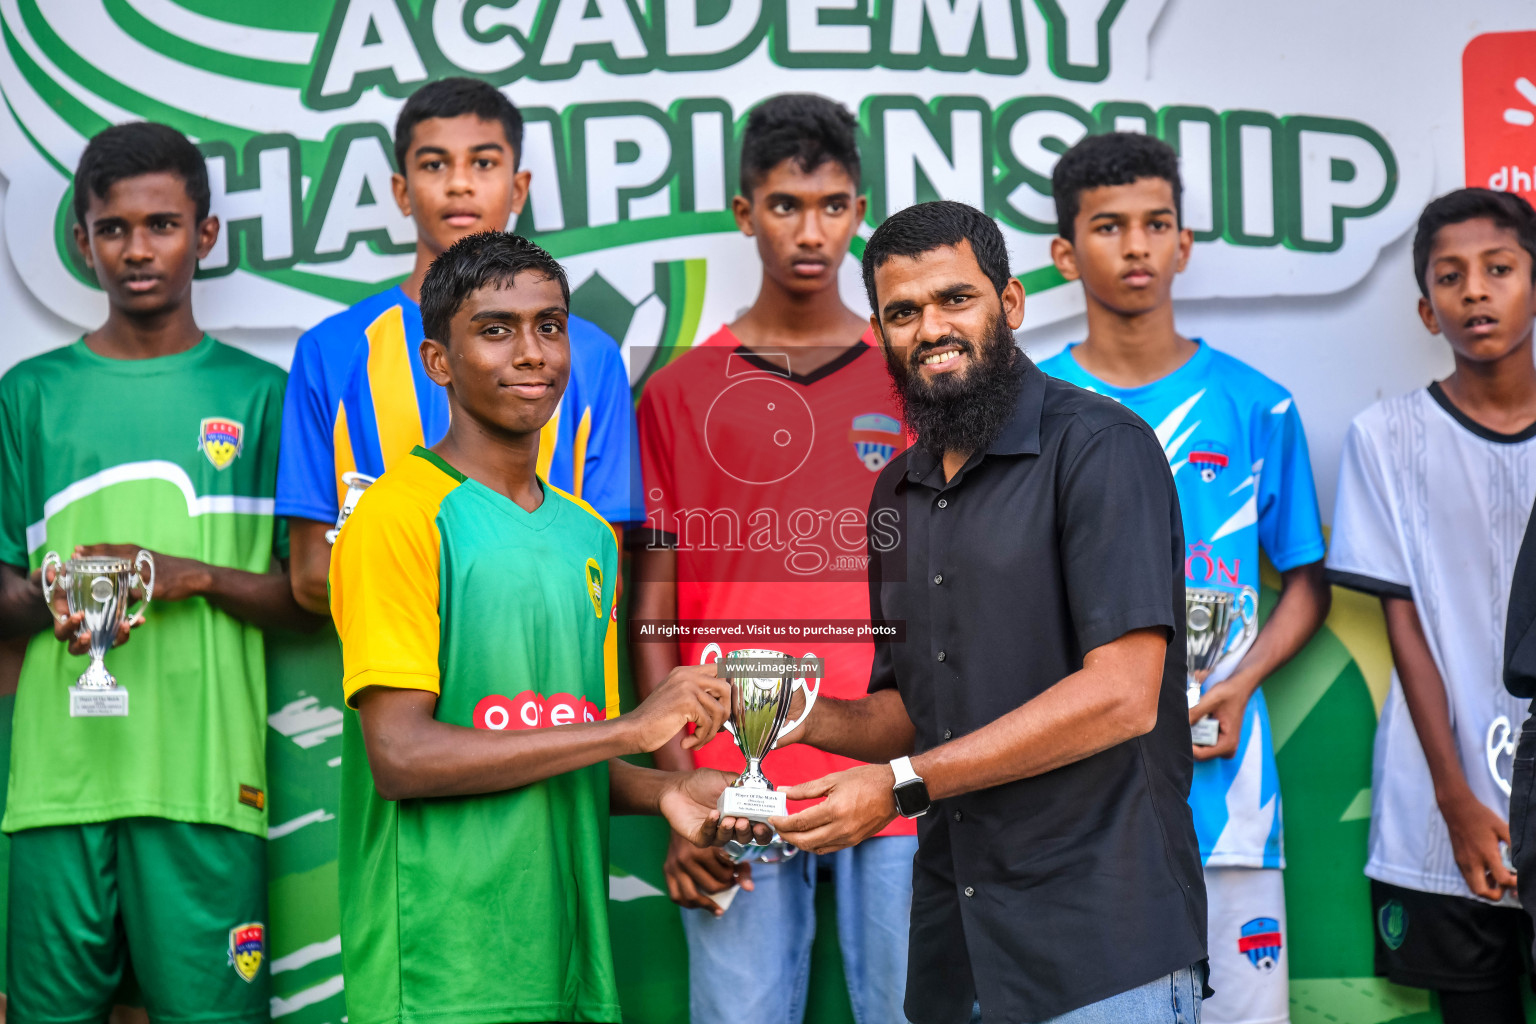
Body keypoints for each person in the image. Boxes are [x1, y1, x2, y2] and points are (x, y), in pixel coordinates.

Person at [771, 200, 1207, 1023]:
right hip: (958, 949)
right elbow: (913, 710)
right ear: (881, 332)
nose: (930, 327)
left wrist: (901, 786)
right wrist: (792, 713)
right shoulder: (894, 489)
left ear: (1008, 305)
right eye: (903, 312)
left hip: (1102, 949)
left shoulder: (1101, 448)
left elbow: (1121, 695)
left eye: (954, 300)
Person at [329, 230, 763, 1024]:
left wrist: (671, 790)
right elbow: (400, 757)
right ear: (438, 362)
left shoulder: (589, 535)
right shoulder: (396, 516)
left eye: (550, 326)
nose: (531, 352)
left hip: (567, 952)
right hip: (441, 966)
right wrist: (629, 730)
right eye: (495, 330)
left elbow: (568, 744)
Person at [0, 122, 316, 1023]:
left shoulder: (265, 398)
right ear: (81, 240)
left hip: (207, 788)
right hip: (57, 793)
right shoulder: (27, 397)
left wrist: (195, 577)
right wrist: (48, 598)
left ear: (205, 235)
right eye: (113, 229)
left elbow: (311, 602)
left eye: (163, 225)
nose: (137, 251)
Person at [629, 92, 917, 1023]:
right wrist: (677, 785)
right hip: (728, 774)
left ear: (859, 212)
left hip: (891, 764)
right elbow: (654, 612)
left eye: (832, 205)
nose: (811, 231)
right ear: (746, 211)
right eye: (786, 205)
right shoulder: (676, 391)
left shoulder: (911, 380)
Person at [1038, 132, 1330, 1024]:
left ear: (1184, 242)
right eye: (1109, 226)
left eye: (1156, 223)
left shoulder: (1258, 404)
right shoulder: (1036, 411)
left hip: (1231, 798)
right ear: (1064, 252)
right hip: (1087, 805)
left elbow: (1308, 583)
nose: (1135, 247)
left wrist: (1239, 686)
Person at [279, 77, 639, 615]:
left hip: (561, 690)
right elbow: (309, 577)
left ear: (518, 188)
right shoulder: (331, 350)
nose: (459, 184)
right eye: (434, 164)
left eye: (484, 163)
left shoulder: (590, 354)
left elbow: (605, 561)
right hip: (394, 678)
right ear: (402, 192)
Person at [1329, 187, 1536, 1024]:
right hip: (1444, 802)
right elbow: (1406, 628)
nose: (1475, 292)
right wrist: (1454, 800)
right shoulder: (1385, 438)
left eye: (1499, 269)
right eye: (1451, 278)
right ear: (1426, 309)